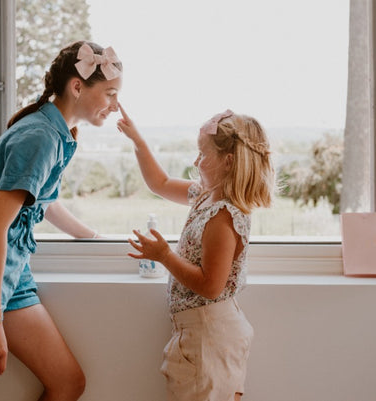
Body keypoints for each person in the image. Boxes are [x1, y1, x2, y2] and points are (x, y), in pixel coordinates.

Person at [0, 41, 122, 401]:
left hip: (10, 269)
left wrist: (94, 237)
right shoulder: (41, 137)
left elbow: (44, 202)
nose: (115, 104)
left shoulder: (56, 132)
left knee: (67, 382)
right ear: (77, 87)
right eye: (109, 93)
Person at [117, 106, 275, 401]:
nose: (195, 160)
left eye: (202, 154)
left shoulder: (223, 217)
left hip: (209, 337)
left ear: (227, 162)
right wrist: (138, 140)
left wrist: (164, 255)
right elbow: (160, 184)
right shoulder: (204, 194)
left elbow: (211, 285)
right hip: (202, 333)